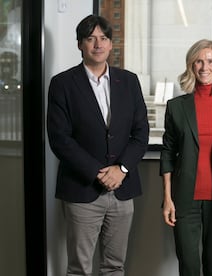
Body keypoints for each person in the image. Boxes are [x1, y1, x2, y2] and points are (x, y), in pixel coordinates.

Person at [47, 15, 149, 276]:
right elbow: (60, 139)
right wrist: (99, 172)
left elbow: (141, 133)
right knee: (79, 268)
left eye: (103, 38)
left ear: (111, 44)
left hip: (122, 189)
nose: (97, 44)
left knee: (115, 266)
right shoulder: (62, 84)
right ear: (80, 44)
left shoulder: (128, 81)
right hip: (82, 189)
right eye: (90, 39)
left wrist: (121, 169)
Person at [160, 39, 212, 276]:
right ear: (191, 65)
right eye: (198, 61)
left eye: (210, 61)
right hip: (184, 199)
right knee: (188, 266)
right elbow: (168, 153)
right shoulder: (176, 107)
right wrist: (167, 198)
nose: (204, 66)